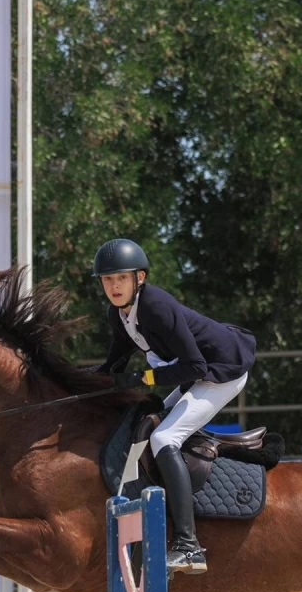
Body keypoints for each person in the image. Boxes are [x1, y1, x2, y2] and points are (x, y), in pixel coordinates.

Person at [95, 238, 256, 574]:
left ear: (139, 278)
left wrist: (146, 378)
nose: (113, 286)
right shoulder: (118, 314)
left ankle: (188, 547)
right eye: (107, 280)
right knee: (144, 428)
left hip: (220, 373)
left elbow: (196, 366)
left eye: (120, 278)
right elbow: (113, 363)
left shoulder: (155, 305)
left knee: (164, 439)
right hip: (194, 374)